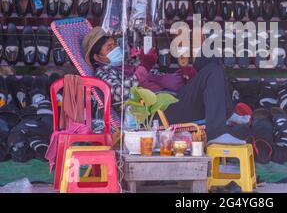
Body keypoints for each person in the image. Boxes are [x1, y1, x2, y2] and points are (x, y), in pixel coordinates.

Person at [82, 27, 247, 145]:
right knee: (211, 71)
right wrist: (143, 68)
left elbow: (157, 78)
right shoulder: (103, 74)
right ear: (98, 57)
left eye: (114, 45)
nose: (115, 49)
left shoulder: (126, 65)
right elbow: (121, 94)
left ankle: (227, 112)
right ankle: (217, 132)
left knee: (208, 57)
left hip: (171, 101)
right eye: (109, 48)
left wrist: (185, 77)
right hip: (158, 113)